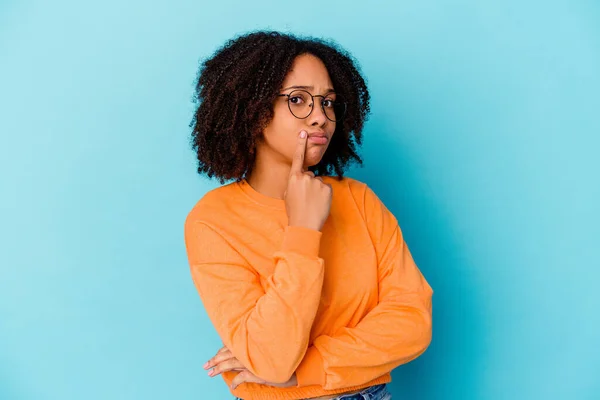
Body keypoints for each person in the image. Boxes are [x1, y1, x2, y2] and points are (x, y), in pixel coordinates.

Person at [184, 30, 433, 400]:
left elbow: (412, 323)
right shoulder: (213, 220)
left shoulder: (360, 200)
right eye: (299, 100)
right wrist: (302, 228)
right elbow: (272, 357)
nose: (320, 118)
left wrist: (305, 371)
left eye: (328, 103)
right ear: (252, 108)